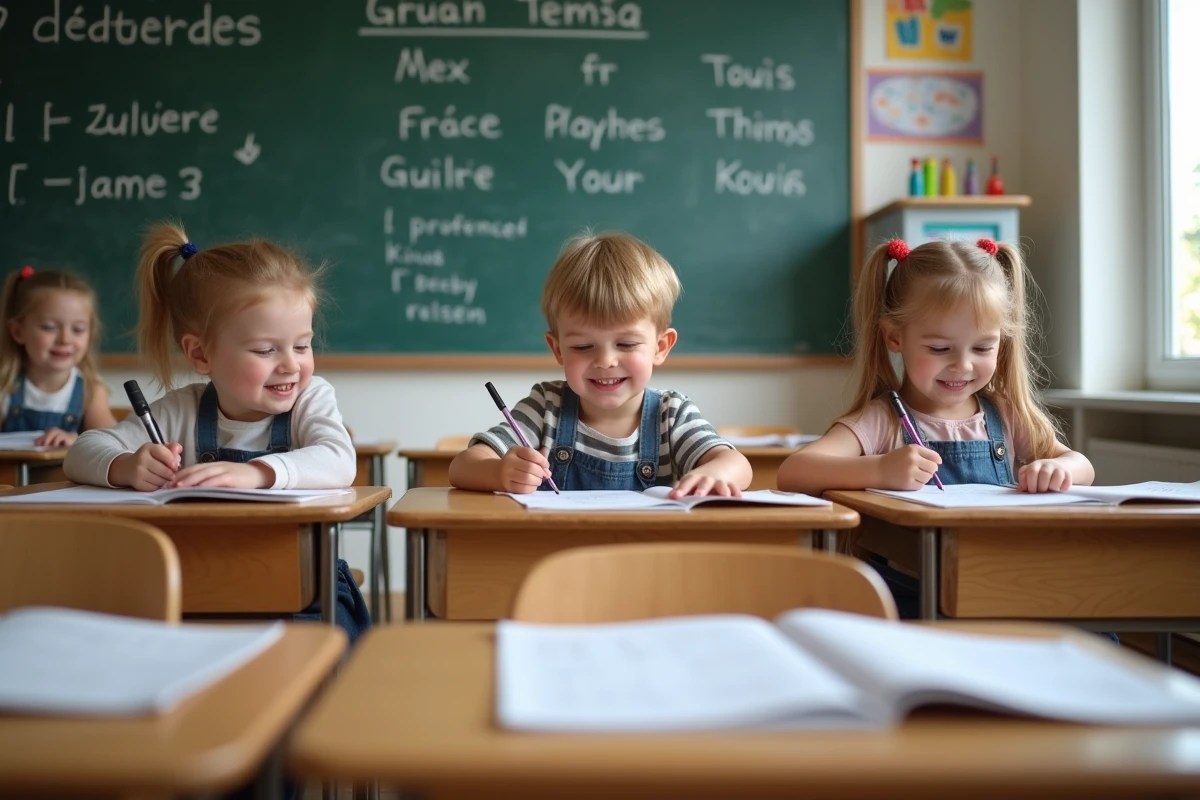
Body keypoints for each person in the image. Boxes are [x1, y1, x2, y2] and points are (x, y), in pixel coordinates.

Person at [64, 223, 368, 639]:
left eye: (302, 345)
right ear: (201, 353)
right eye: (265, 350)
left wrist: (256, 473)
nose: (291, 365)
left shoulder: (311, 399)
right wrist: (124, 464)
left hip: (302, 597)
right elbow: (83, 450)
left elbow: (339, 460)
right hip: (193, 593)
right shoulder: (180, 409)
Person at [450, 231, 752, 496]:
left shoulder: (671, 416)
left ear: (660, 347)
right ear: (558, 350)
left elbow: (738, 465)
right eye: (583, 346)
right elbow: (462, 466)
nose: (606, 361)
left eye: (626, 344)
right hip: (552, 557)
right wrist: (499, 473)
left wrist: (714, 474)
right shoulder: (546, 408)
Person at [0, 267, 116, 445]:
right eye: (49, 327)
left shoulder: (91, 391)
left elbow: (112, 443)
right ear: (18, 331)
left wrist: (77, 441)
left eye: (78, 329)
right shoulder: (5, 386)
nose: (65, 339)